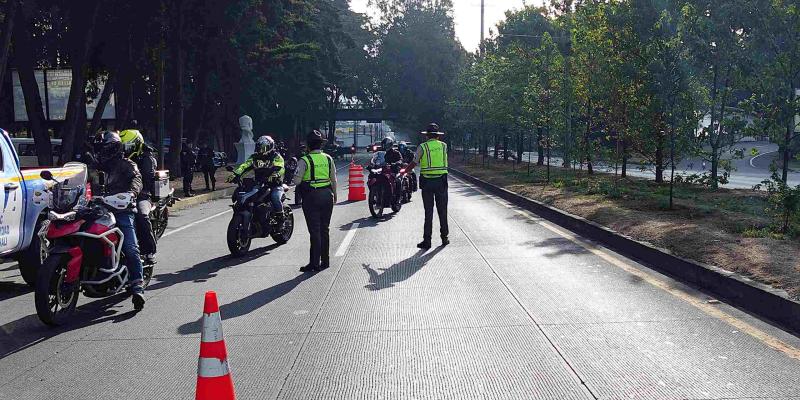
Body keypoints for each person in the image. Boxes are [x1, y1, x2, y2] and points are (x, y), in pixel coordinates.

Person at [92, 131, 147, 310]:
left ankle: (137, 285)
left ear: (114, 148)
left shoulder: (127, 164)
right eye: (99, 149)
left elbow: (136, 179)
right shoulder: (96, 166)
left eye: (104, 149)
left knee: (130, 247)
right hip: (99, 208)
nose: (101, 152)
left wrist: (131, 193)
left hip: (122, 209)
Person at [293, 130, 337, 272]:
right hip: (327, 195)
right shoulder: (328, 158)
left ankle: (314, 263)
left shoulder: (304, 160)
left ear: (308, 146)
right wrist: (334, 194)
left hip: (311, 197)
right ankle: (325, 261)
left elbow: (297, 180)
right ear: (320, 144)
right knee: (325, 229)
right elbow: (333, 179)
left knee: (315, 231)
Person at [402, 123, 449, 249]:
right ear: (438, 136)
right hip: (442, 182)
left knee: (429, 212)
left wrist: (405, 171)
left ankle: (427, 241)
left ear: (427, 136)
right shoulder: (444, 146)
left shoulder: (423, 147)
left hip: (427, 183)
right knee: (442, 211)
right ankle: (444, 238)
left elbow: (414, 162)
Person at [120, 129, 158, 265]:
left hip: (143, 194)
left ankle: (149, 251)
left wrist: (134, 192)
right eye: (123, 146)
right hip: (122, 195)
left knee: (141, 216)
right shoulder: (120, 158)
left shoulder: (146, 158)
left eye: (128, 146)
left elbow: (146, 179)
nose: (125, 150)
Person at [227, 135, 286, 224]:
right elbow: (244, 166)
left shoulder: (276, 156)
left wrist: (275, 174)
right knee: (250, 196)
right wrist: (235, 174)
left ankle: (281, 219)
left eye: (264, 148)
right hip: (259, 183)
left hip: (274, 184)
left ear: (270, 146)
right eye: (259, 147)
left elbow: (281, 168)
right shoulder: (254, 157)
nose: (261, 150)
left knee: (275, 197)